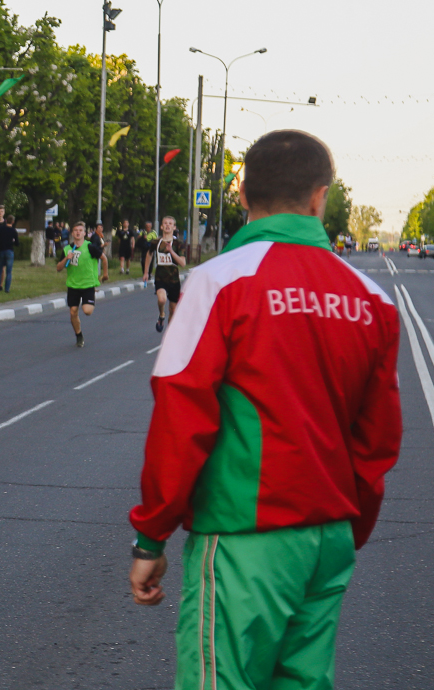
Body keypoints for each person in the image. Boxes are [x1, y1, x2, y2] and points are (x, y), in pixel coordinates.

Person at [128, 130, 401, 690]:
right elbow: (377, 442)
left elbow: (180, 421)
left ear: (243, 194)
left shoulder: (218, 282)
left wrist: (152, 537)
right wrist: (346, 529)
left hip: (243, 538)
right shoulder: (371, 299)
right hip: (326, 541)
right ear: (320, 198)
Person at [56, 221, 105, 348]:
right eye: (75, 230)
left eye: (80, 230)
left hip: (88, 284)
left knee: (87, 311)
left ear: (84, 233)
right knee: (73, 312)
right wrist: (67, 258)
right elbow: (58, 268)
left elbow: (104, 258)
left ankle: (89, 299)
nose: (78, 232)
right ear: (72, 233)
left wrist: (105, 274)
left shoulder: (90, 247)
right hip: (73, 285)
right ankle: (79, 335)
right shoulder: (67, 249)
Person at [144, 216, 186, 333]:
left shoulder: (178, 244)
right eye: (165, 223)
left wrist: (171, 251)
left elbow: (182, 263)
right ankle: (161, 314)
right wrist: (146, 272)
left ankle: (169, 334)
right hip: (160, 277)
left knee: (173, 310)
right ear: (162, 226)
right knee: (162, 299)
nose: (167, 225)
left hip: (174, 280)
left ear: (174, 227)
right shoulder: (156, 242)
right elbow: (149, 254)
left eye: (170, 223)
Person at [0, 214, 19, 292]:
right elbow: (17, 243)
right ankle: (7, 289)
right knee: (8, 271)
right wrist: (12, 242)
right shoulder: (13, 231)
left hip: (1, 251)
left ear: (6, 220)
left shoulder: (0, 229)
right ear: (13, 222)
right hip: (9, 251)